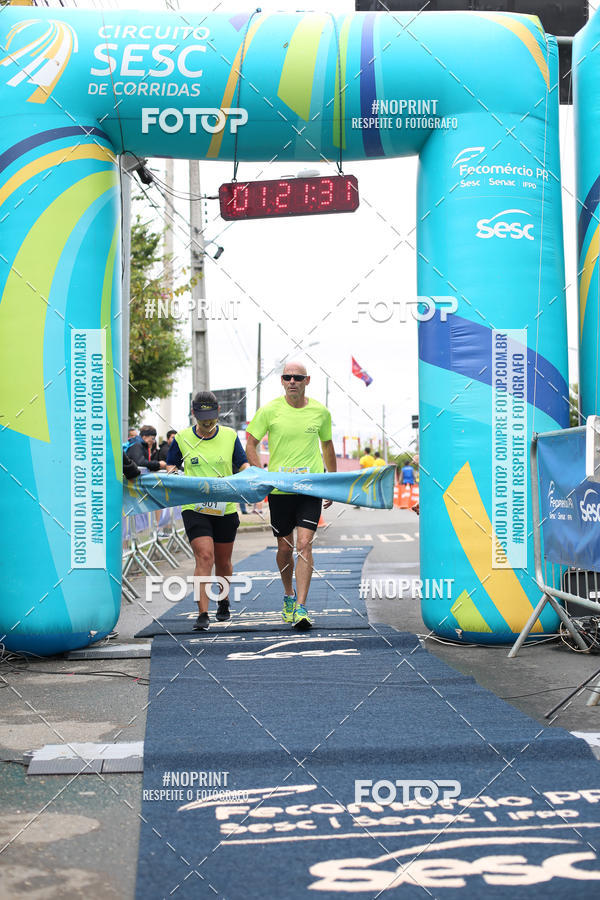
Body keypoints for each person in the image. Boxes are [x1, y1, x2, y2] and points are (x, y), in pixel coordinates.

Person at [246, 361, 336, 630]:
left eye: (298, 377)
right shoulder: (269, 410)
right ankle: (288, 595)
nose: (292, 381)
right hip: (279, 489)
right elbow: (250, 442)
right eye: (287, 377)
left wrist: (331, 481)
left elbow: (327, 445)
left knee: (305, 543)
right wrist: (259, 474)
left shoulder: (320, 412)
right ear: (282, 381)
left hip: (309, 487)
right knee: (284, 548)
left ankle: (302, 607)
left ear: (307, 380)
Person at [166, 391, 249, 631]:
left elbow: (242, 463)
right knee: (204, 556)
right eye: (203, 419)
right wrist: (175, 474)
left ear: (218, 413)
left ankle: (223, 600)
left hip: (225, 506)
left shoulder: (230, 436)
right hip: (195, 507)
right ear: (194, 414)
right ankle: (202, 612)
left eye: (212, 418)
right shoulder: (181, 438)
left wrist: (250, 474)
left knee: (223, 561)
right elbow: (172, 465)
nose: (208, 423)